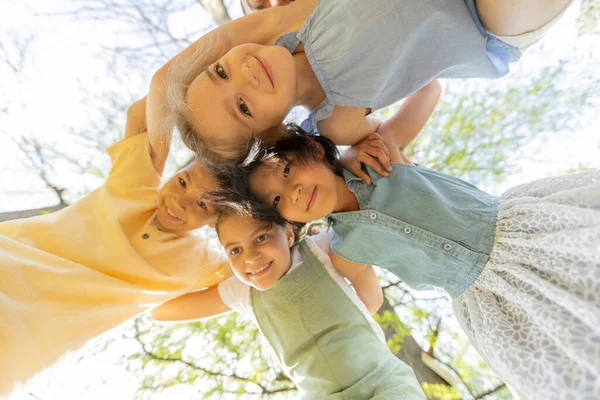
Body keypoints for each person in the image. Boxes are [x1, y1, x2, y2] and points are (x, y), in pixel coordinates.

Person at [232, 81, 600, 399]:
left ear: (313, 150)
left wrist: (350, 147)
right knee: (571, 362)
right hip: (491, 301)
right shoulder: (345, 249)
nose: (292, 191)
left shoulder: (381, 154)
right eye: (277, 201)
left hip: (526, 239)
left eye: (286, 170)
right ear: (288, 222)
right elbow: (367, 301)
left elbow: (428, 89)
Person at [154, 0, 574, 165]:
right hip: (485, 23)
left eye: (221, 72)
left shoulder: (301, 18)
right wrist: (381, 146)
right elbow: (429, 90)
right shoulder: (338, 119)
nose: (242, 78)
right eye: (242, 107)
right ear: (273, 131)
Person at [0, 96, 231, 395]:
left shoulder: (197, 262)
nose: (180, 201)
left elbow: (250, 280)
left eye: (202, 204)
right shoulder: (134, 186)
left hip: (29, 341)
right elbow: (143, 111)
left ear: (214, 221)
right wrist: (214, 83)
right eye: (183, 182)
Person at [152, 205, 427, 399]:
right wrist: (204, 260)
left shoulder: (319, 249)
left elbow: (362, 228)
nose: (250, 257)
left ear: (287, 232)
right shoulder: (241, 290)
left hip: (382, 382)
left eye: (261, 237)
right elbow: (163, 311)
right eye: (235, 249)